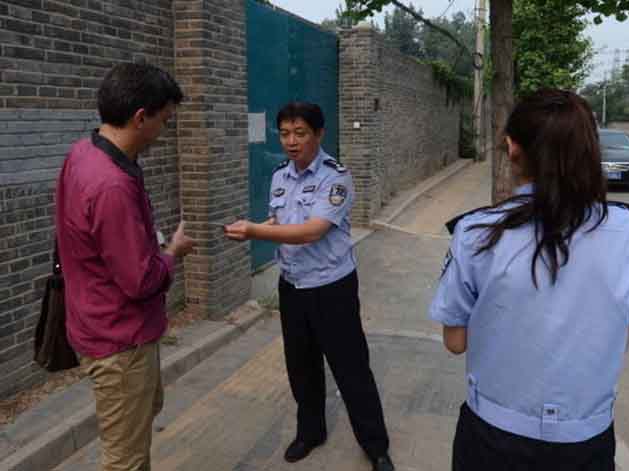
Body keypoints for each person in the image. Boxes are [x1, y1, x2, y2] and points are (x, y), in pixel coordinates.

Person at [429, 89, 629, 471]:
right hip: (586, 440)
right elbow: (624, 335)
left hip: (493, 439)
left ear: (512, 147)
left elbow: (455, 342)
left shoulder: (477, 232)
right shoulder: (626, 230)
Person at [224, 102, 394, 471]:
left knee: (351, 368)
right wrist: (258, 225)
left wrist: (254, 231)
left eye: (300, 133)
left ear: (319, 134)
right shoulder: (280, 176)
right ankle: (310, 432)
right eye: (285, 133)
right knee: (301, 366)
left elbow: (312, 231)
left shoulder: (336, 178)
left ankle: (375, 445)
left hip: (332, 287)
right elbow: (280, 220)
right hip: (292, 286)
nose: (291, 141)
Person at [55, 63, 194, 471]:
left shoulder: (84, 151)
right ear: (140, 117)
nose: (163, 131)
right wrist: (173, 252)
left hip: (98, 320)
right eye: (164, 121)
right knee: (125, 460)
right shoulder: (111, 184)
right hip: (119, 341)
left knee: (138, 428)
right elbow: (139, 281)